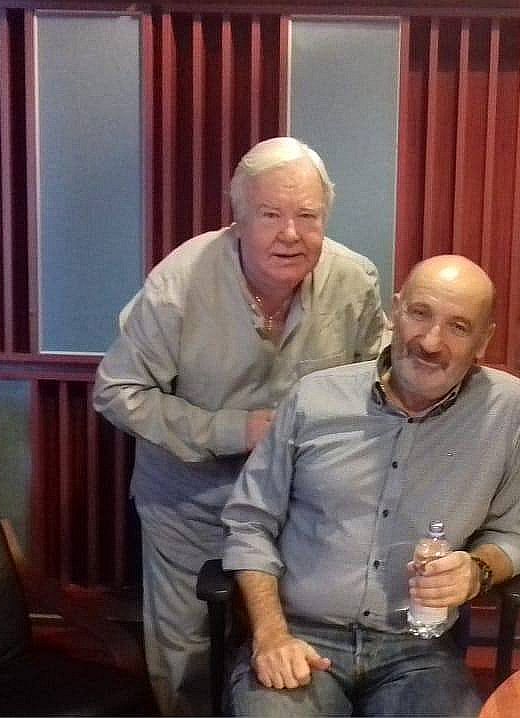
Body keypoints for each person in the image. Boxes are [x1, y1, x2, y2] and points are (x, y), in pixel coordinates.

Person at [93, 137, 388, 716]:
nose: (290, 234)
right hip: (190, 502)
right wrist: (235, 430)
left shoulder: (355, 279)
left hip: (303, 509)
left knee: (289, 648)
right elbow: (117, 392)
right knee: (188, 659)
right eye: (271, 215)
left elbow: (375, 381)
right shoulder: (179, 282)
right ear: (239, 217)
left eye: (308, 216)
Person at [222, 255, 520, 716]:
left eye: (458, 327)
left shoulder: (508, 410)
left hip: (419, 650)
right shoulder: (315, 397)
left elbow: (512, 534)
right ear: (395, 311)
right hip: (301, 637)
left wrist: (478, 571)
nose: (430, 342)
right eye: (420, 314)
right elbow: (250, 522)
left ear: (483, 341)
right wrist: (270, 635)